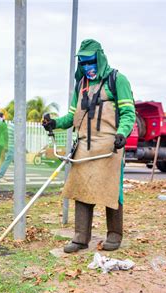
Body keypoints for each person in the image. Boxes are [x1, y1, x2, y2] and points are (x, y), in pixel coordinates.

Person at [42, 39, 135, 253]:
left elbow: (129, 113)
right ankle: (80, 238)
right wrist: (55, 123)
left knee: (113, 192)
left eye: (91, 62)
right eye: (83, 63)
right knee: (82, 191)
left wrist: (122, 133)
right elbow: (73, 117)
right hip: (84, 146)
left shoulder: (117, 80)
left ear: (99, 59)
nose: (87, 67)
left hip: (110, 146)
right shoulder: (81, 84)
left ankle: (114, 234)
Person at [0, 116, 14, 181]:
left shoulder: (9, 125)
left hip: (5, 145)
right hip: (9, 146)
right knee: (5, 161)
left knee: (3, 161)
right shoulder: (15, 127)